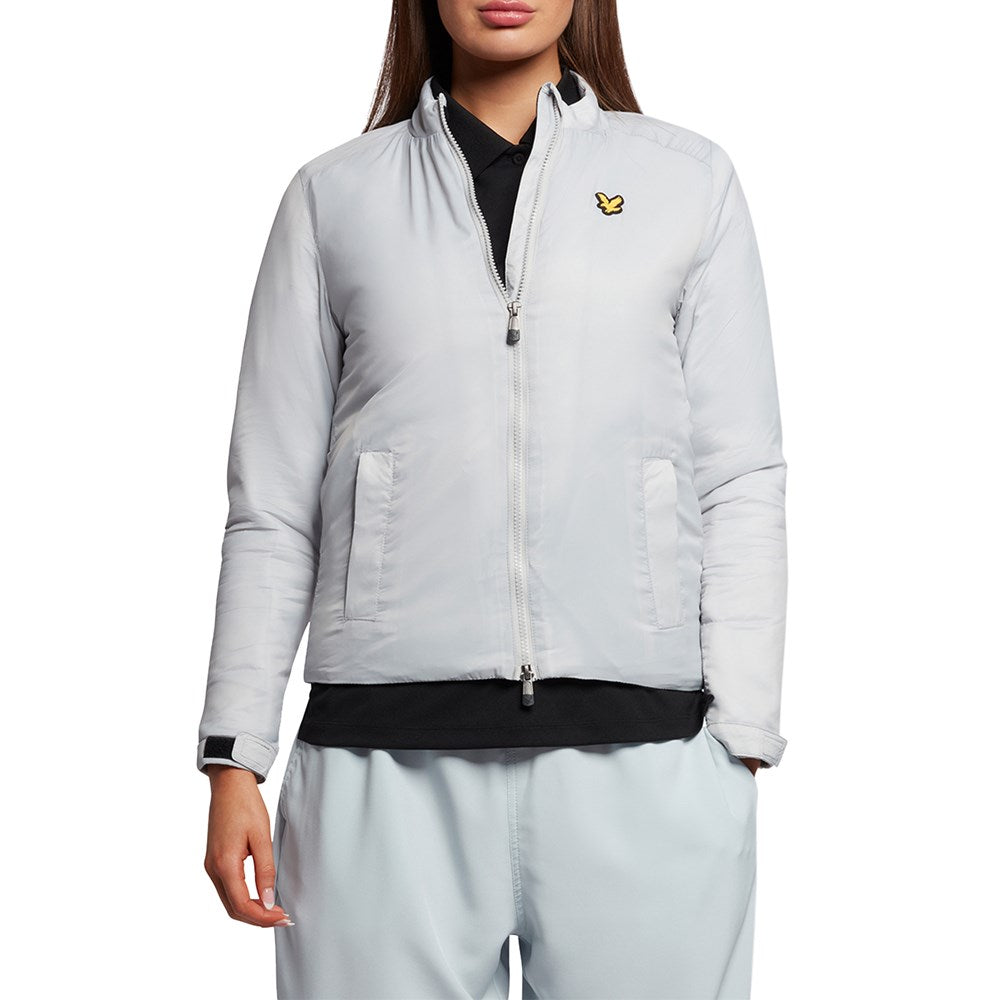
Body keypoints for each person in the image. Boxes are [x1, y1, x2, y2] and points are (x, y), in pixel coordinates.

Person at [197, 1, 789, 997]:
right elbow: (272, 505)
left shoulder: (686, 183)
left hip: (647, 762)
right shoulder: (335, 198)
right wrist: (234, 756)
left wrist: (741, 739)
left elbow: (740, 474)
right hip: (381, 766)